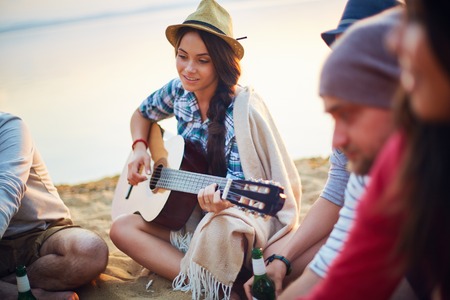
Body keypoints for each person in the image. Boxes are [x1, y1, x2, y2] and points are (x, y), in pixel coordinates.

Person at [108, 0, 301, 299]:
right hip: (185, 216)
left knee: (221, 227)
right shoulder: (178, 92)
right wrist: (139, 148)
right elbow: (142, 114)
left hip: (224, 219)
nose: (189, 69)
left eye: (202, 60)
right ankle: (209, 279)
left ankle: (218, 285)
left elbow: (246, 205)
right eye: (182, 56)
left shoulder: (240, 113)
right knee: (120, 228)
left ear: (221, 62)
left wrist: (221, 206)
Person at [294, 0, 450, 298]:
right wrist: (282, 258)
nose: (394, 39)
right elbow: (345, 269)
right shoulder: (402, 157)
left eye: (418, 18)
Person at [244, 1, 400, 299]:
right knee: (275, 254)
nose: (337, 139)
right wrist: (282, 261)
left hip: (399, 252)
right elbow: (339, 193)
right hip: (368, 229)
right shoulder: (356, 125)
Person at [0, 112, 109, 300]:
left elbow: (8, 189)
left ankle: (12, 287)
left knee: (90, 251)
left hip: (42, 233)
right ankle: (23, 293)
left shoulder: (9, 126)